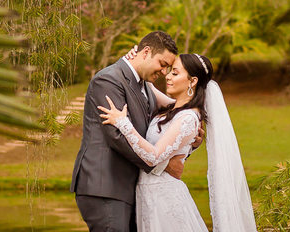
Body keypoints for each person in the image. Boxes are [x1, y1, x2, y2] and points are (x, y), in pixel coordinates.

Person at [98, 53, 258, 232]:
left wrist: (122, 123)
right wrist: (135, 57)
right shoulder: (174, 108)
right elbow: (144, 83)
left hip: (165, 199)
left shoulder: (188, 118)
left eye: (175, 73)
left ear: (192, 81)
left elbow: (153, 156)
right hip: (149, 196)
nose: (167, 76)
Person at [71, 31, 184, 232]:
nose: (164, 72)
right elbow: (117, 136)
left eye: (168, 67)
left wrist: (191, 136)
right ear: (146, 52)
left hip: (128, 188)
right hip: (106, 186)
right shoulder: (108, 80)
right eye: (162, 64)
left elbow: (163, 124)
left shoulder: (146, 86)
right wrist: (161, 164)